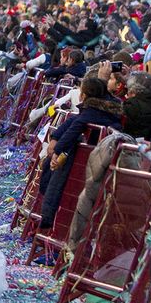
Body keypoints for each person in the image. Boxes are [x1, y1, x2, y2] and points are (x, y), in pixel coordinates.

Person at [38, 77, 122, 229]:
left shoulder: (90, 114)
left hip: (92, 164)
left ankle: (48, 215)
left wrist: (57, 152)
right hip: (101, 162)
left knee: (58, 173)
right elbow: (73, 121)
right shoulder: (110, 111)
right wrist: (56, 138)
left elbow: (74, 129)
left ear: (83, 95)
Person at [120, 71, 151, 140]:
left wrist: (102, 80)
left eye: (128, 90)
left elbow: (109, 107)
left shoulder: (133, 106)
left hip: (136, 145)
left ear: (133, 93)